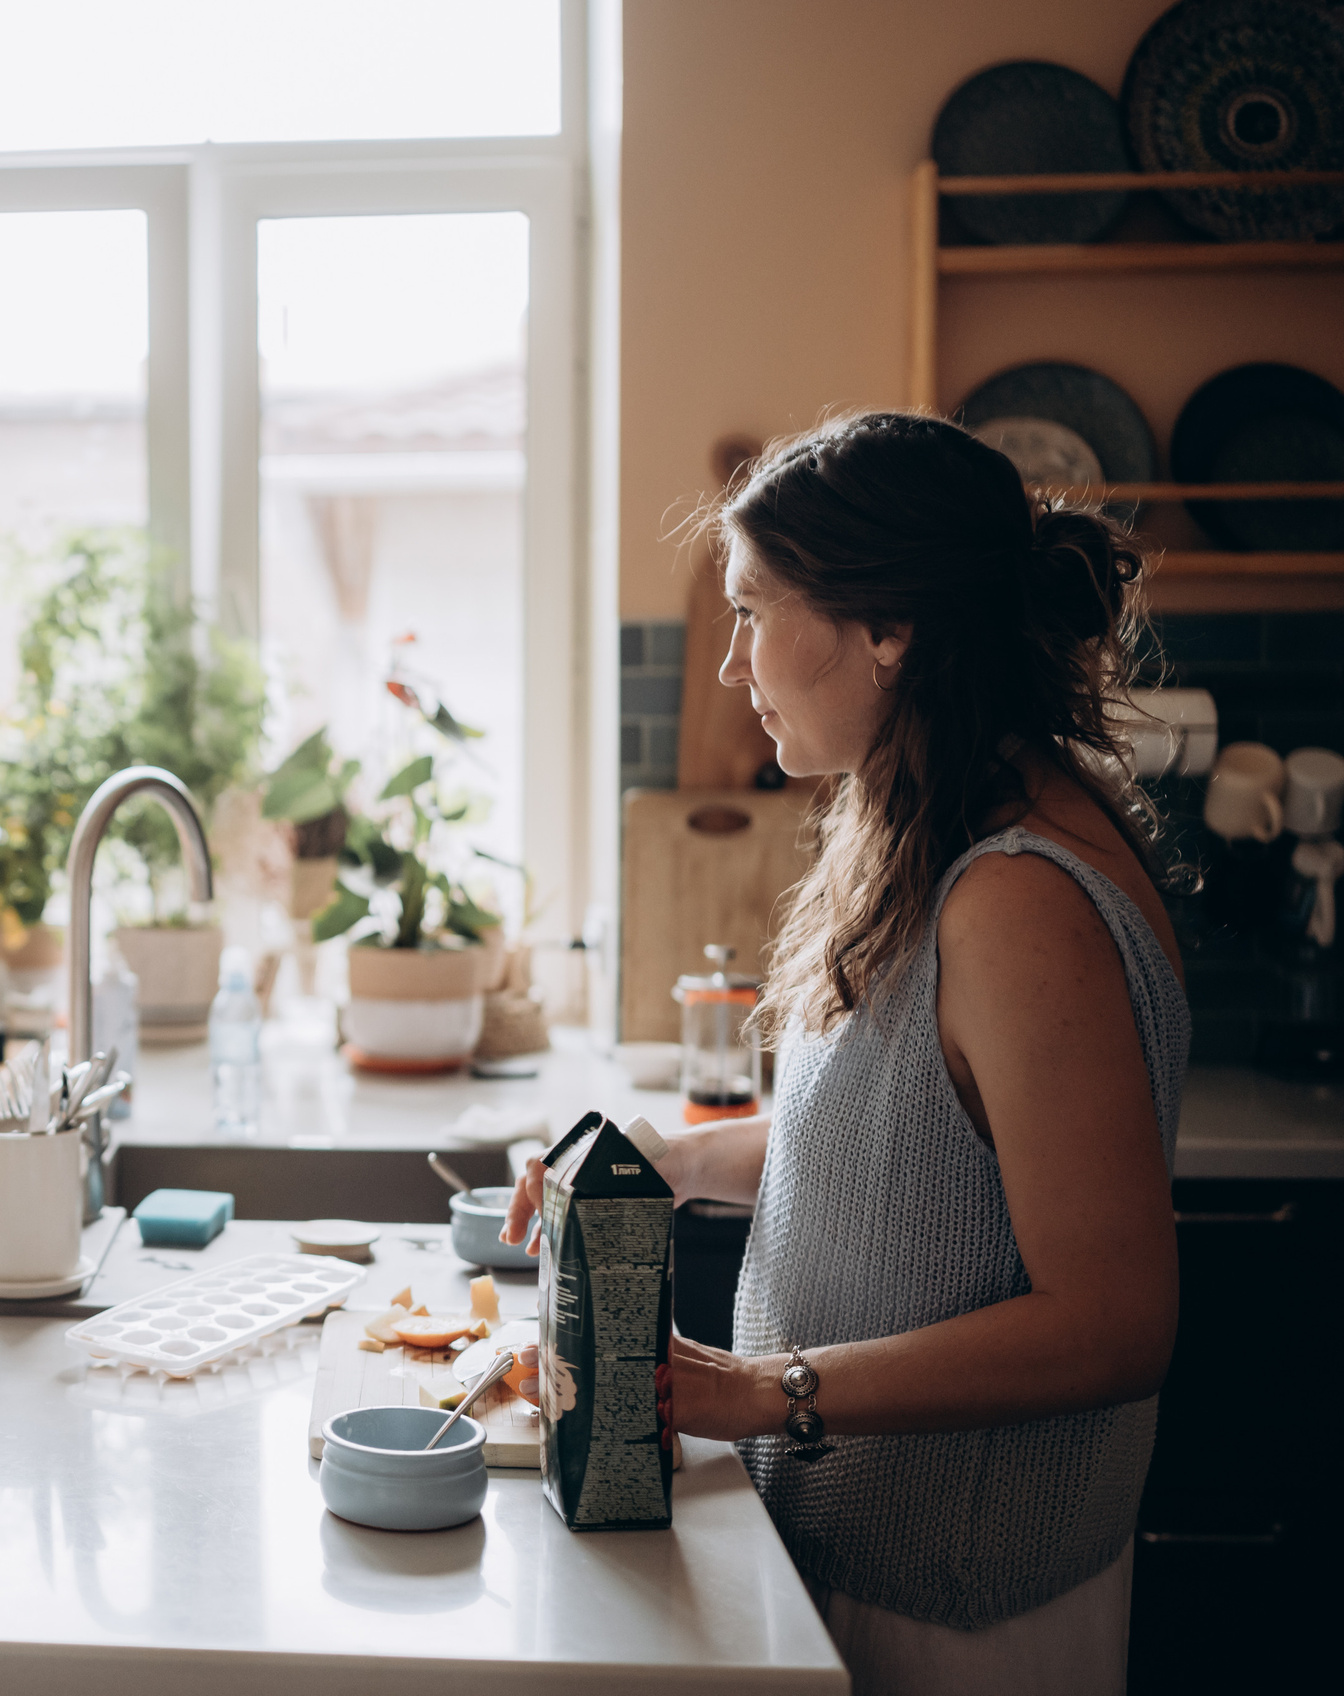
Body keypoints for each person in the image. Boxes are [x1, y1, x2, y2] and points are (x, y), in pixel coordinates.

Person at [505, 412, 1185, 1693]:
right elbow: (894, 1149)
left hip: (963, 1601)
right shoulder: (927, 822)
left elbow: (1115, 1324)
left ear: (889, 628)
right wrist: (660, 1152)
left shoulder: (1021, 899)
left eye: (757, 610)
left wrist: (767, 1391)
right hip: (857, 1551)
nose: (732, 662)